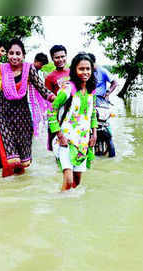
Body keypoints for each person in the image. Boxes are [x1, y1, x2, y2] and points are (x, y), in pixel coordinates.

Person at [0, 38, 55, 178]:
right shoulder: (0, 70)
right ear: (7, 55)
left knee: (21, 163)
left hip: (23, 120)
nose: (14, 56)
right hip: (4, 119)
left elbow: (43, 90)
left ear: (23, 55)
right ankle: (5, 192)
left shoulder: (29, 69)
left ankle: (20, 193)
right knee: (8, 161)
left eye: (18, 53)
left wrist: (57, 99)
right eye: (11, 53)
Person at [48, 53, 97, 191]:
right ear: (74, 70)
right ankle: (59, 208)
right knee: (68, 180)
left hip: (83, 141)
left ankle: (71, 209)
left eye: (88, 69)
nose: (85, 72)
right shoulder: (67, 89)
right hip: (65, 140)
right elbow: (51, 111)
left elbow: (92, 114)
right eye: (81, 69)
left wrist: (94, 134)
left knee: (77, 182)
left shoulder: (91, 90)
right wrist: (59, 135)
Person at [88, 53, 118, 157]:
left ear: (93, 62)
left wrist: (108, 92)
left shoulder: (102, 71)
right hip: (88, 100)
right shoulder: (86, 71)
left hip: (101, 101)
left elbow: (115, 82)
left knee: (105, 121)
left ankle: (108, 138)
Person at [30, 52, 51, 136]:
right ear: (35, 61)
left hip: (36, 100)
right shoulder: (29, 69)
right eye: (41, 64)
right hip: (29, 99)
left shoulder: (40, 72)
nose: (41, 66)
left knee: (37, 118)